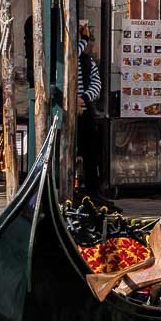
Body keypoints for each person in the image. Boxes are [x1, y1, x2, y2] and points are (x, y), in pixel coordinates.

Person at [74, 19, 105, 198]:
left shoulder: (87, 62)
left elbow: (96, 85)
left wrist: (82, 99)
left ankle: (93, 190)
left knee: (91, 153)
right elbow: (71, 54)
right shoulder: (66, 57)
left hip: (85, 113)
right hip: (66, 114)